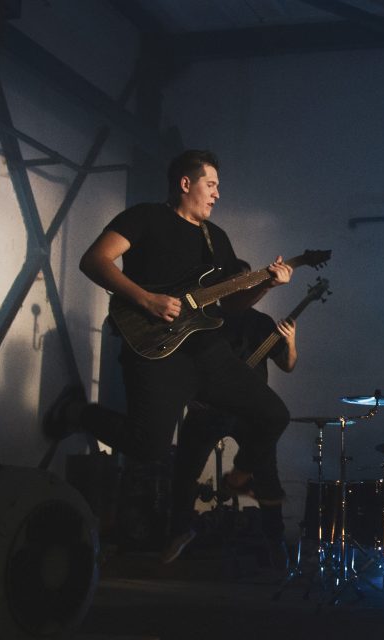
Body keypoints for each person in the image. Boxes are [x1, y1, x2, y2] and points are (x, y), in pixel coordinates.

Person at [69, 149, 294, 542]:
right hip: (155, 348)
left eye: (219, 186)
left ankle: (239, 476)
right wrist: (146, 299)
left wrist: (267, 285)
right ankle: (78, 412)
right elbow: (95, 260)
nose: (217, 194)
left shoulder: (216, 238)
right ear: (186, 183)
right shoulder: (144, 217)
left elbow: (232, 305)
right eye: (211, 184)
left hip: (207, 350)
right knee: (148, 447)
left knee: (274, 414)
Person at [162, 260, 299, 565]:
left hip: (251, 413)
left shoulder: (261, 323)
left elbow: (288, 365)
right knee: (184, 470)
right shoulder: (204, 321)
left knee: (267, 474)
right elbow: (182, 364)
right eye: (235, 282)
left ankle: (275, 541)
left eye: (245, 282)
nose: (241, 287)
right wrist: (190, 397)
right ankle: (178, 532)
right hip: (207, 408)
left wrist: (290, 341)